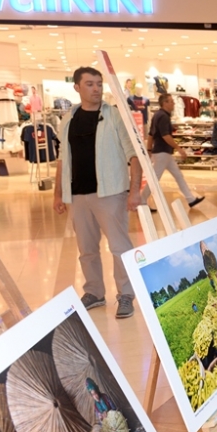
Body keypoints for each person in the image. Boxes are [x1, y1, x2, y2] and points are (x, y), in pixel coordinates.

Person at [53, 66, 142, 319]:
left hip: (111, 193)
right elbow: (62, 159)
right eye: (90, 84)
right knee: (87, 249)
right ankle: (94, 292)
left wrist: (134, 191)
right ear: (77, 87)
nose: (96, 88)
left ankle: (126, 294)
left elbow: (133, 155)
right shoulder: (68, 118)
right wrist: (57, 194)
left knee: (119, 247)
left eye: (99, 84)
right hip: (78, 195)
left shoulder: (114, 115)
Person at [141, 93, 204, 210]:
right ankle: (142, 200)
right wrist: (179, 148)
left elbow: (151, 134)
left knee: (178, 176)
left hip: (163, 153)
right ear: (165, 103)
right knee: (155, 178)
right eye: (171, 101)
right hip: (162, 153)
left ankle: (190, 199)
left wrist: (149, 149)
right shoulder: (163, 117)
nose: (174, 103)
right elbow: (165, 136)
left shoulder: (157, 115)